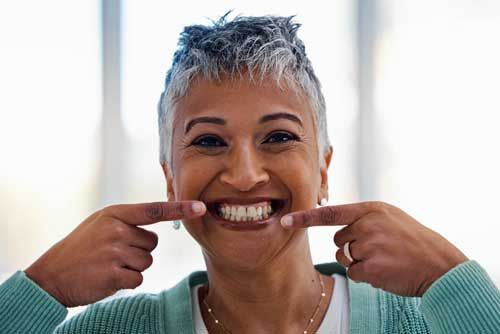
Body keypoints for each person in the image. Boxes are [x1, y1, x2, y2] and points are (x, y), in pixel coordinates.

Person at [1, 13, 499, 334]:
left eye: (278, 137)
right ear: (170, 178)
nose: (243, 175)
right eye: (208, 141)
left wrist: (449, 278)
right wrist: (40, 290)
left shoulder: (428, 322)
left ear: (323, 169)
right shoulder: (109, 331)